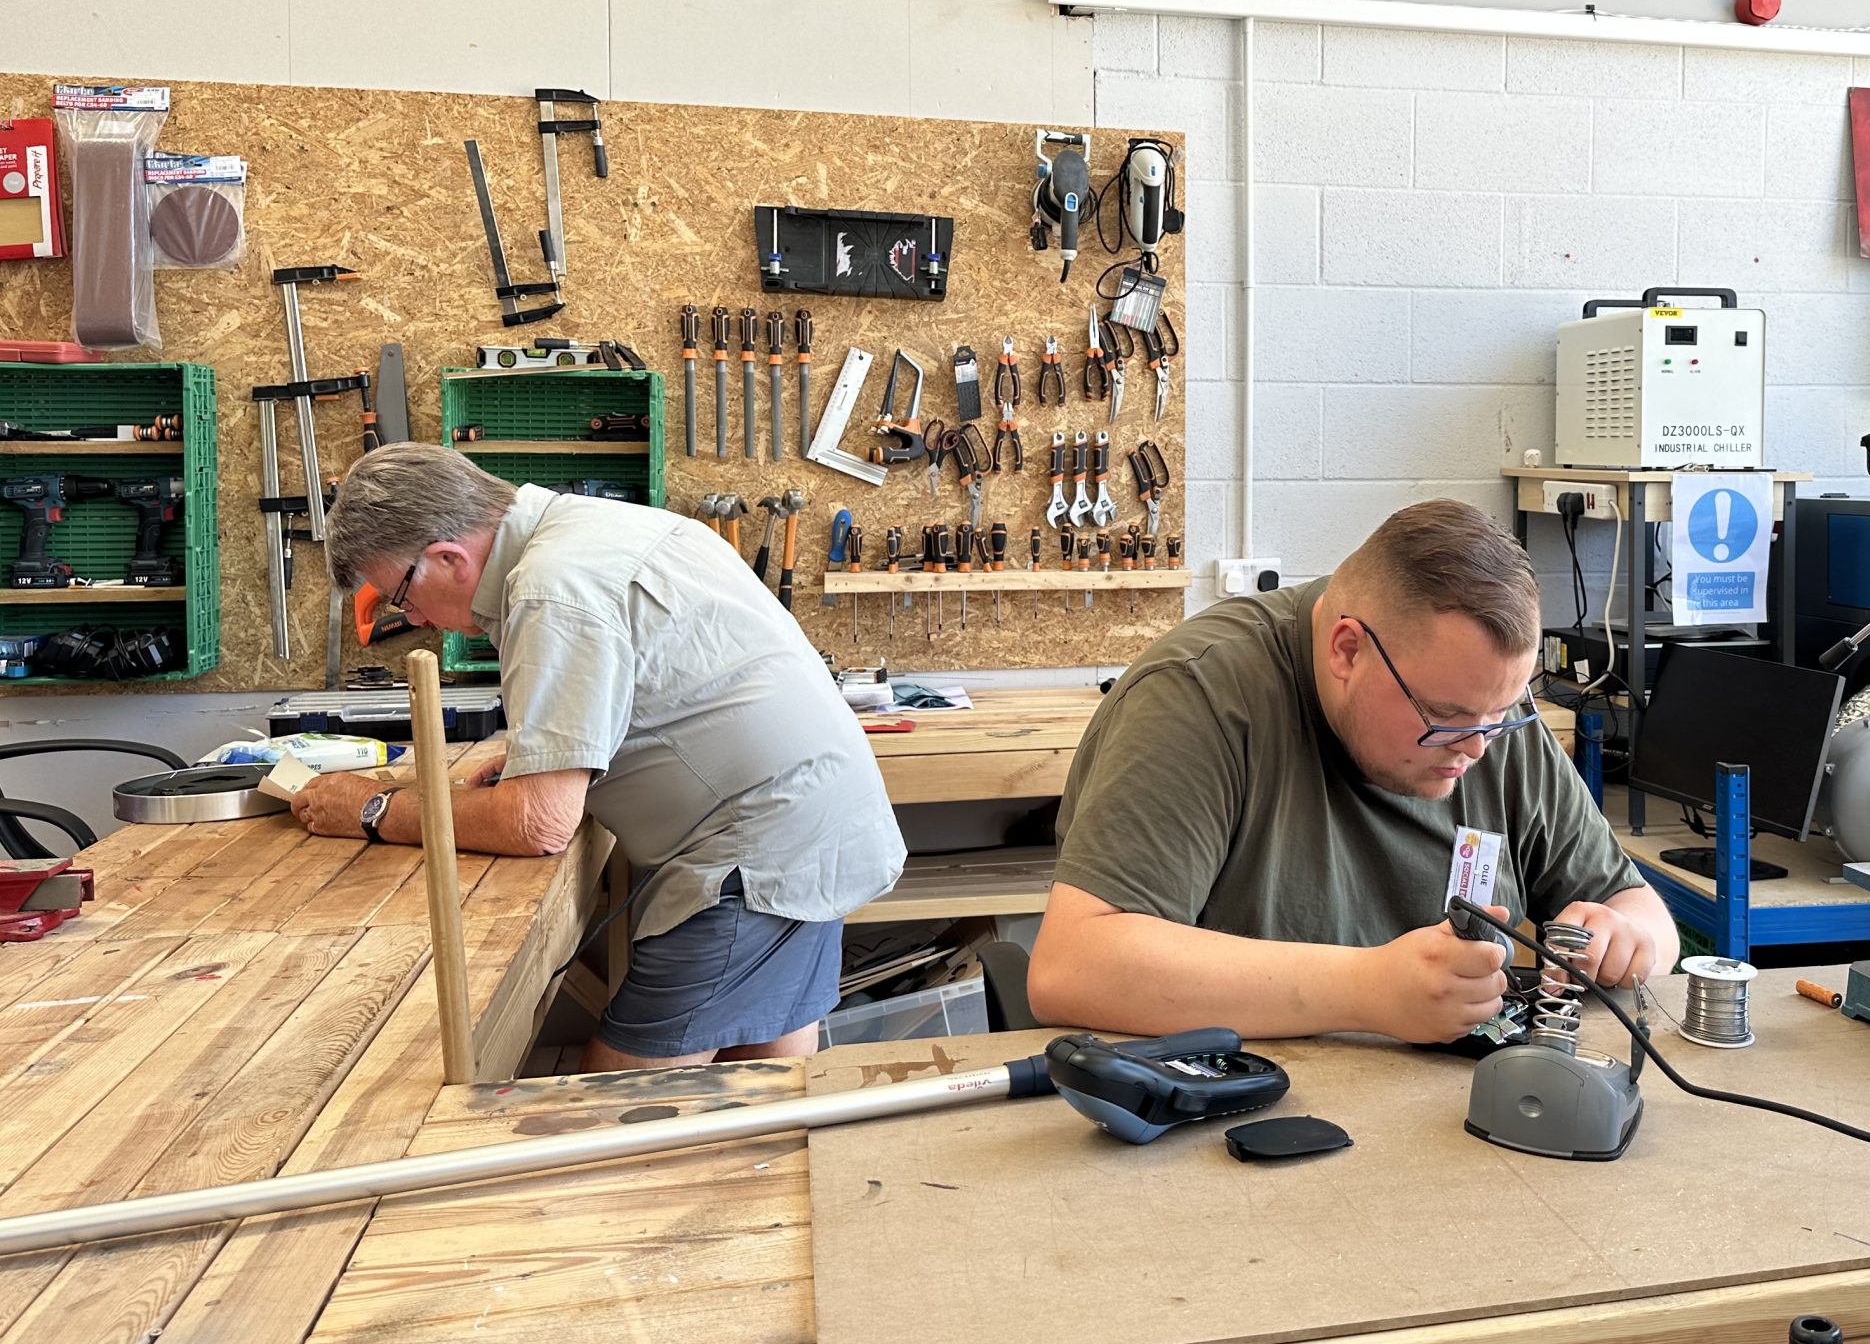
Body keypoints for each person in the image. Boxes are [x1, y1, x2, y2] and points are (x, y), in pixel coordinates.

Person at [295, 444, 902, 1070]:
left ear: (447, 558)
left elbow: (537, 824)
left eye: (399, 596)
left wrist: (372, 808)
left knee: (606, 1121)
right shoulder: (597, 526)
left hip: (757, 858)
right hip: (815, 825)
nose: (413, 619)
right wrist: (557, 757)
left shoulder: (550, 587)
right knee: (761, 1099)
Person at [1028, 499, 1676, 1043]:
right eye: (1447, 718)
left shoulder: (1481, 705)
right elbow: (1073, 968)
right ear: (1347, 651)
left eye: (1501, 715)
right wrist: (1370, 990)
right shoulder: (1201, 696)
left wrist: (1628, 939)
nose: (1478, 749)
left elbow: (1643, 913)